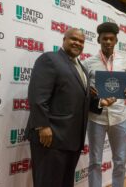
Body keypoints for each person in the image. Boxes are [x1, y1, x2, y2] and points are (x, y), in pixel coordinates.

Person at [25, 28, 89, 187]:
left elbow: (78, 99)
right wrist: (43, 126)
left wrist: (101, 103)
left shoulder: (81, 68)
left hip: (72, 140)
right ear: (64, 39)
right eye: (73, 39)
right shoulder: (50, 59)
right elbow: (37, 96)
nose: (77, 43)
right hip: (50, 139)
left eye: (81, 41)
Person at [82, 22, 126, 187]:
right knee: (95, 161)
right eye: (105, 39)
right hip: (96, 118)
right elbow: (82, 91)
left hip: (120, 117)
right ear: (98, 40)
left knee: (120, 160)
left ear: (116, 40)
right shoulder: (88, 63)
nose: (108, 42)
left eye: (111, 39)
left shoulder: (124, 62)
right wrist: (91, 93)